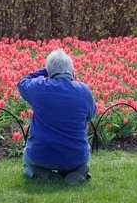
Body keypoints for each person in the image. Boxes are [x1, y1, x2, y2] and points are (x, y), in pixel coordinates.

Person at [17, 49, 97, 184]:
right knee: (79, 160)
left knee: (29, 162)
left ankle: (42, 174)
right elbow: (91, 114)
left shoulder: (39, 87)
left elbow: (22, 82)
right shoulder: (83, 90)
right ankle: (78, 171)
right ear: (71, 70)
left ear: (49, 71)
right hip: (75, 157)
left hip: (40, 156)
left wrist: (46, 70)